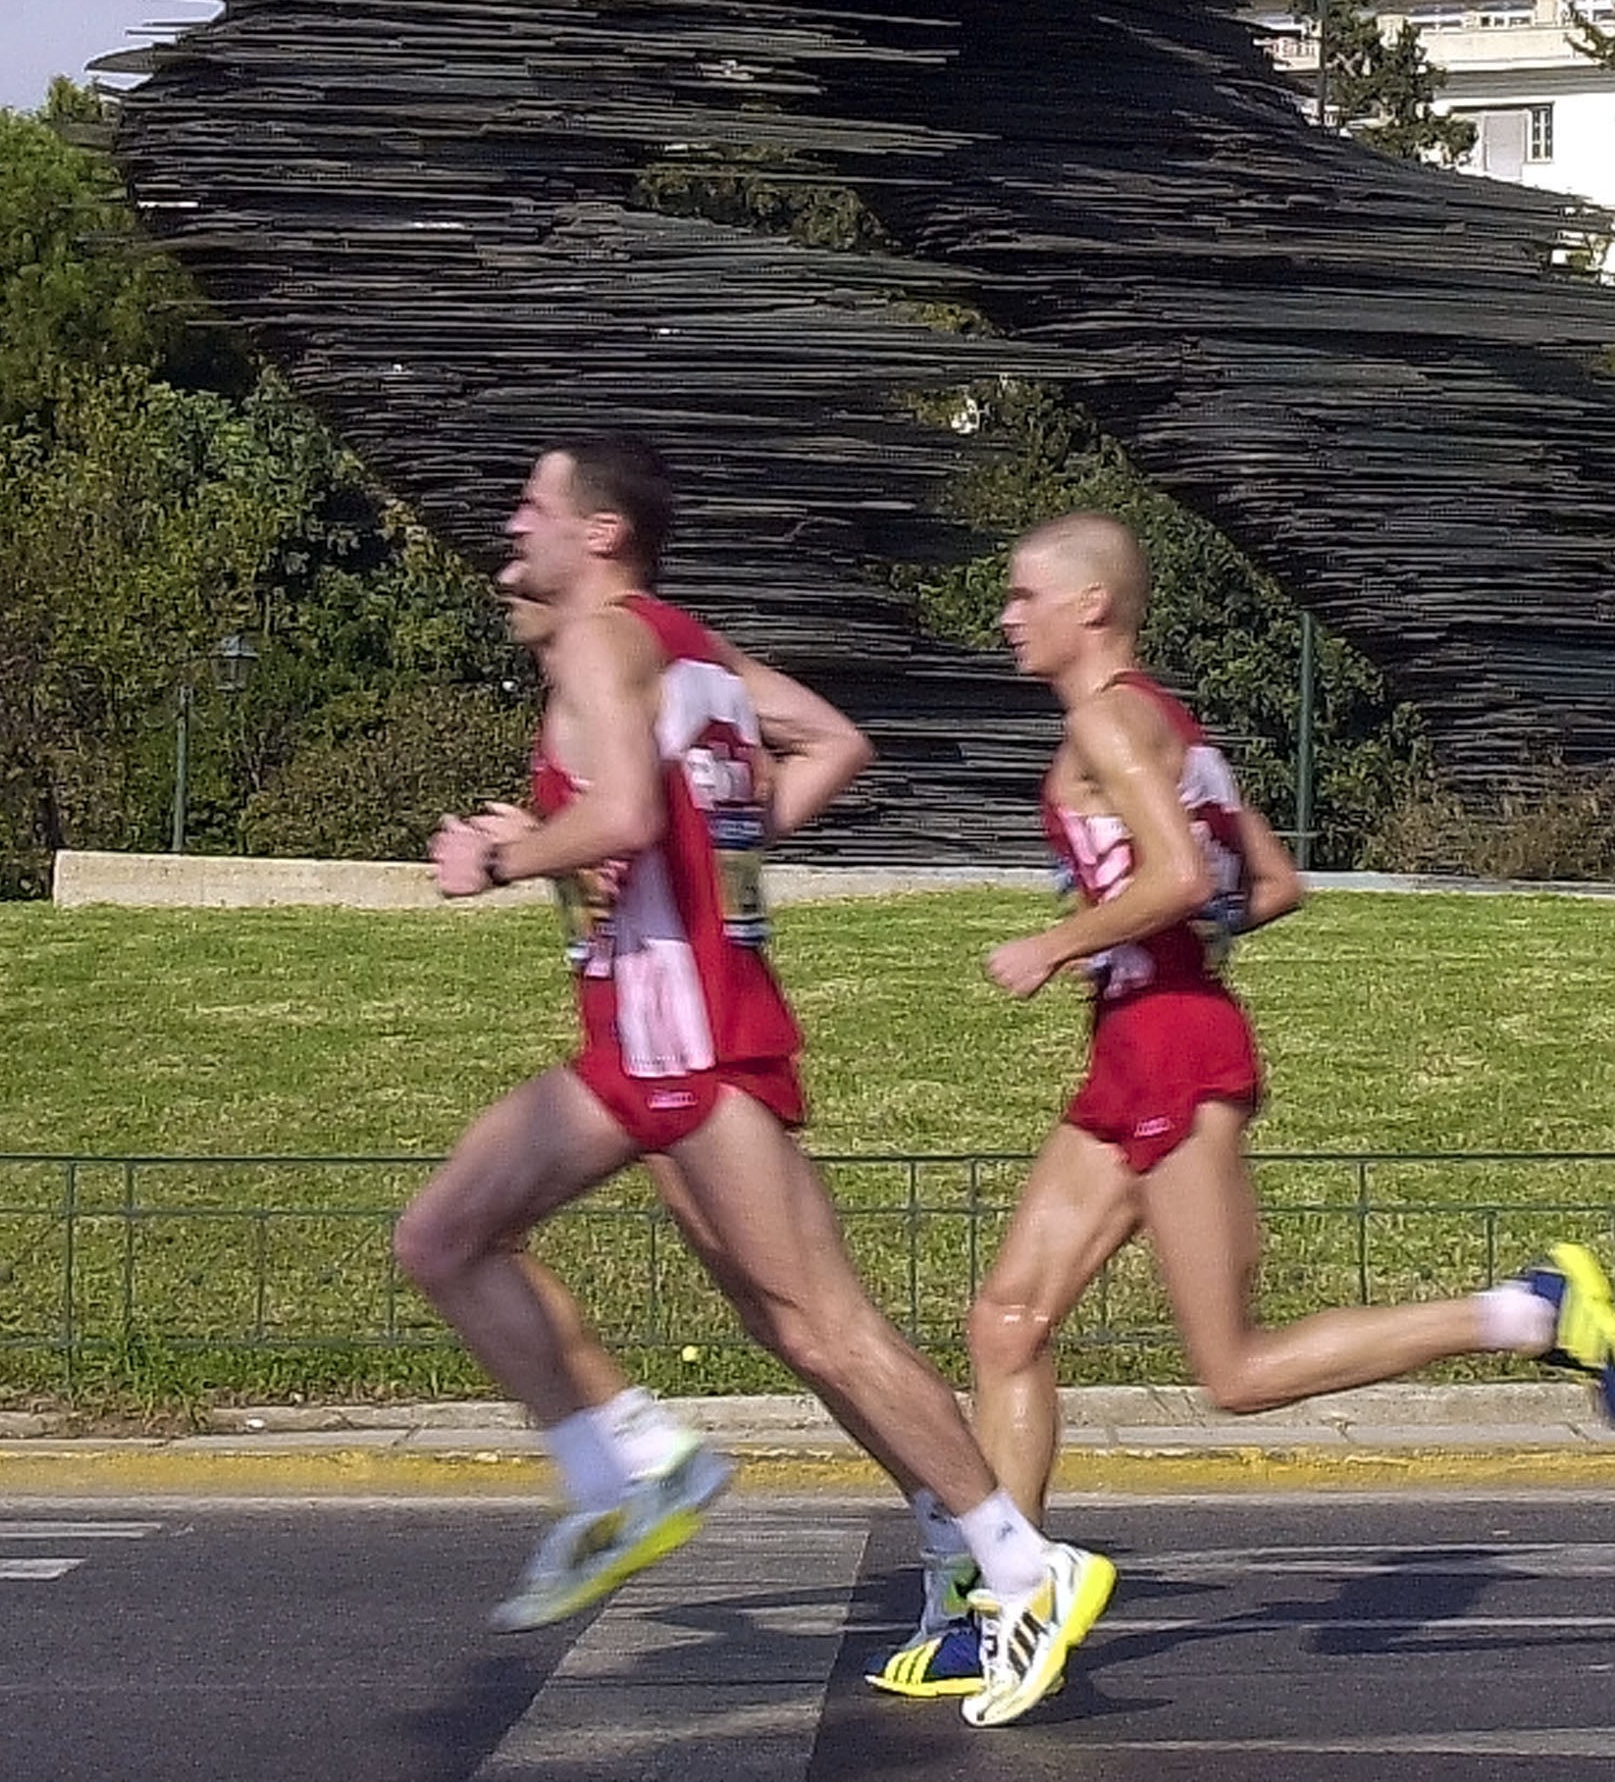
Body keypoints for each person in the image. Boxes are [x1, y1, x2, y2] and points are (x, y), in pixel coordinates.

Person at [394, 435, 1113, 1728]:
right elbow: (827, 742)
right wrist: (712, 841)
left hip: (696, 1049)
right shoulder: (687, 650)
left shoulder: (605, 640)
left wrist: (499, 861)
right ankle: (639, 1473)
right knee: (447, 1234)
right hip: (642, 1049)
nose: (513, 527)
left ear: (599, 533)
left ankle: (1020, 1561)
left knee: (824, 1323)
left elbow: (616, 817)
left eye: (533, 507)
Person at [870, 509, 1615, 1701]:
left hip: (1175, 1054)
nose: (1005, 615)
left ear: (1091, 607)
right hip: (1139, 1045)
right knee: (1008, 1322)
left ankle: (1531, 1312)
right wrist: (1143, 944)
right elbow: (1266, 886)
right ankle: (1005, 1602)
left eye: (1024, 595)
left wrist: (1064, 938)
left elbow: (1184, 880)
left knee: (1232, 1370)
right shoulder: (1174, 726)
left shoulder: (1106, 719)